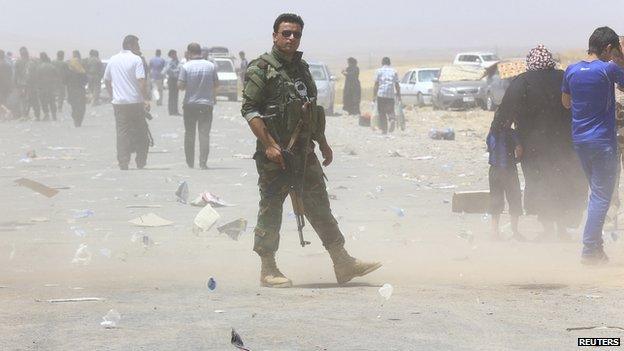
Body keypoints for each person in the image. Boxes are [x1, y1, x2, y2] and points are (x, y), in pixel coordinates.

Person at [241, 13, 381, 288]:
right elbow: (250, 110)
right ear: (275, 36)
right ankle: (268, 269)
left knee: (319, 205)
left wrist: (323, 141)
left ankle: (343, 262)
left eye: (296, 34)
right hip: (276, 156)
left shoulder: (302, 69)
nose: (291, 38)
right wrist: (269, 145)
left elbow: (311, 110)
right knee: (271, 209)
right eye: (286, 33)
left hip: (304, 153)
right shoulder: (261, 69)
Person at [497, 44, 587, 241]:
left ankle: (547, 229)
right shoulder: (564, 77)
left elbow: (504, 114)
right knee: (563, 183)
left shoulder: (522, 82)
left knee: (540, 184)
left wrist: (504, 139)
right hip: (565, 143)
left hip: (533, 146)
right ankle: (562, 229)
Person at [562, 27, 624, 264]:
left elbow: (566, 103)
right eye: (613, 52)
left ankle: (597, 249)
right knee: (601, 197)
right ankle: (589, 250)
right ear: (608, 48)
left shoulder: (571, 70)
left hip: (580, 140)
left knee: (596, 194)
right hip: (602, 142)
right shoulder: (608, 69)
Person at [104, 35, 150, 170]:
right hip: (135, 102)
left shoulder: (113, 59)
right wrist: (146, 99)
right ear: (130, 45)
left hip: (119, 104)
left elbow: (107, 80)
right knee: (141, 132)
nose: (139, 48)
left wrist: (113, 95)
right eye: (137, 45)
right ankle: (140, 161)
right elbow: (141, 81)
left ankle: (123, 162)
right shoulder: (136, 60)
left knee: (122, 133)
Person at [178, 43, 219, 169]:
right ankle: (203, 162)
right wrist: (213, 96)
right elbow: (216, 84)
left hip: (190, 105)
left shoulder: (186, 66)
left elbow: (180, 86)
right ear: (200, 52)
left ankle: (190, 162)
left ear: (189, 52)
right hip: (206, 105)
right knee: (204, 134)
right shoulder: (210, 66)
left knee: (189, 133)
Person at [486, 112, 524, 240]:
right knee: (514, 199)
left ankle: (494, 232)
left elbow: (490, 149)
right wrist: (517, 160)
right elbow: (519, 149)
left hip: (494, 171)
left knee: (496, 200)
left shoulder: (491, 134)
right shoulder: (511, 133)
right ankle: (514, 231)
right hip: (508, 170)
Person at [373, 57, 400, 134]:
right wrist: (399, 95)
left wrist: (374, 96)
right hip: (390, 95)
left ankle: (384, 129)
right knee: (390, 110)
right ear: (389, 63)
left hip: (381, 94)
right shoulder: (394, 71)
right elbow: (397, 84)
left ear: (382, 63)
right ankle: (392, 119)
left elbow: (376, 84)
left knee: (382, 112)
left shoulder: (378, 71)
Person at [14, 47, 40, 120]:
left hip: (21, 85)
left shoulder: (18, 62)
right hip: (31, 84)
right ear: (27, 53)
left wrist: (15, 84)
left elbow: (15, 75)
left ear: (21, 54)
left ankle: (24, 115)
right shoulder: (33, 62)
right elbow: (36, 74)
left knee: (22, 99)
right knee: (34, 99)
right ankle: (37, 115)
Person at [66, 51, 88, 127]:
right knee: (81, 107)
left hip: (71, 91)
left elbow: (64, 81)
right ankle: (78, 121)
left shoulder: (68, 72)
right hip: (80, 92)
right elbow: (85, 82)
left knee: (74, 107)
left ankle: (76, 120)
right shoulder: (82, 72)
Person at [36, 52, 59, 121]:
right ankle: (54, 115)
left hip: (42, 87)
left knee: (43, 101)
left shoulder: (39, 67)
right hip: (51, 86)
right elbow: (57, 76)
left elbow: (37, 78)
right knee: (52, 101)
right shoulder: (52, 66)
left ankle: (46, 114)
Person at [164, 49, 181, 116]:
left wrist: (176, 70)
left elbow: (179, 68)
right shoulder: (169, 61)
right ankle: (171, 111)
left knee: (176, 95)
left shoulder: (177, 61)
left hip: (176, 79)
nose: (176, 55)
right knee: (171, 96)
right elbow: (167, 70)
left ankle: (175, 111)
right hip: (171, 79)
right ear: (171, 55)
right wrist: (174, 70)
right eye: (174, 54)